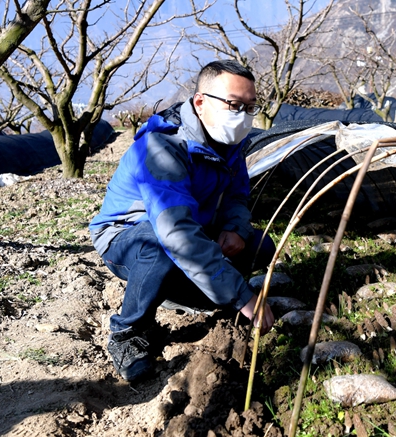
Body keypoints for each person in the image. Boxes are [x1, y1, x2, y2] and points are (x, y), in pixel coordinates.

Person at [89, 60, 276, 381]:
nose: (243, 116)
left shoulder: (231, 146)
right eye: (234, 105)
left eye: (250, 107)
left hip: (189, 228)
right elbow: (175, 234)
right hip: (128, 235)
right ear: (200, 102)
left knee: (260, 245)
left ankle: (179, 291)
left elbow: (237, 196)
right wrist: (241, 294)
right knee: (159, 249)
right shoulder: (161, 147)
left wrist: (234, 228)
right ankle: (127, 332)